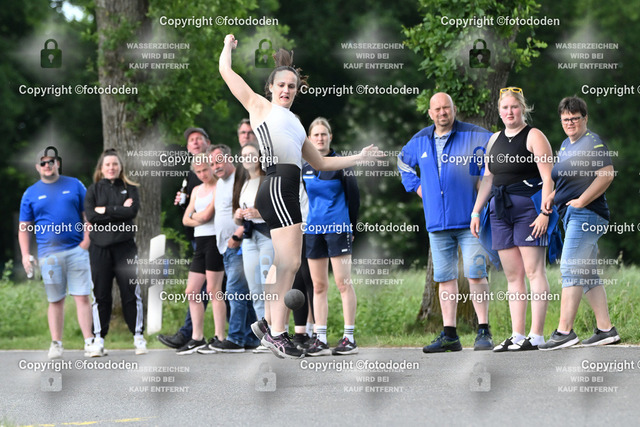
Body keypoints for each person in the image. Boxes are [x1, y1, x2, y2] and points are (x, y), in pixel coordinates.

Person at [219, 33, 380, 358]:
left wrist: (359, 157)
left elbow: (321, 162)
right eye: (281, 85)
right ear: (270, 87)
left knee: (283, 263)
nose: (286, 90)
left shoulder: (295, 123)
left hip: (286, 190)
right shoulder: (260, 106)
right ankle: (276, 332)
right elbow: (226, 72)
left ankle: (268, 323)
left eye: (292, 86)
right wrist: (227, 47)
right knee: (291, 262)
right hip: (278, 185)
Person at [398, 92, 494, 353]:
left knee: (476, 274)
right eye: (437, 109)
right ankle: (450, 335)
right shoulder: (420, 140)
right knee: (445, 278)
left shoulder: (474, 134)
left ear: (454, 109)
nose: (442, 113)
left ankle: (483, 331)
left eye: (446, 108)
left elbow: (498, 151)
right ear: (430, 113)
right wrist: (419, 189)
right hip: (437, 223)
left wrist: (484, 181)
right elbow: (402, 163)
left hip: (470, 220)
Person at [470, 87, 554, 352]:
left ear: (522, 109)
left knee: (534, 271)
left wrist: (545, 213)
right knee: (513, 275)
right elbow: (488, 178)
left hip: (529, 211)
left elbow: (548, 178)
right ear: (499, 111)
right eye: (505, 108)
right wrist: (476, 211)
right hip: (499, 212)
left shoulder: (534, 136)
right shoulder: (494, 139)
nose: (510, 112)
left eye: (514, 107)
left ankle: (536, 335)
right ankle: (518, 335)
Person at [539, 96, 620, 350]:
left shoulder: (592, 142)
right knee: (586, 273)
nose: (570, 123)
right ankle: (606, 330)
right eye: (566, 119)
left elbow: (606, 174)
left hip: (587, 214)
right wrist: (553, 196)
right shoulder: (566, 145)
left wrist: (582, 201)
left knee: (571, 267)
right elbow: (567, 180)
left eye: (575, 118)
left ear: (585, 118)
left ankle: (564, 332)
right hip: (572, 215)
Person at [18, 146, 102, 359]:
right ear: (37, 167)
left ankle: (89, 342)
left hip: (76, 251)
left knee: (82, 296)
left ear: (58, 164)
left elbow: (88, 216)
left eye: (51, 161)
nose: (47, 165)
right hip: (49, 255)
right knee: (55, 300)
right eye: (43, 163)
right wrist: (25, 254)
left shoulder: (75, 185)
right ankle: (56, 343)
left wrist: (86, 242)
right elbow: (24, 228)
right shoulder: (30, 193)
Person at [303, 117, 360, 356]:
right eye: (315, 135)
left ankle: (349, 338)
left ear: (330, 137)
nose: (320, 138)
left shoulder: (341, 164)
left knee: (343, 283)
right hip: (313, 230)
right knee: (318, 286)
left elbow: (354, 198)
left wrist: (351, 228)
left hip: (338, 228)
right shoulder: (305, 167)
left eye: (323, 134)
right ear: (309, 139)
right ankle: (321, 339)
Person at [197, 144, 260, 353]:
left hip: (239, 244)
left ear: (229, 158)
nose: (216, 166)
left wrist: (237, 235)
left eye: (219, 161)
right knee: (243, 293)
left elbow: (248, 208)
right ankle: (251, 338)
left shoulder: (240, 179)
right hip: (225, 247)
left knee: (234, 291)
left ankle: (235, 338)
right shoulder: (221, 183)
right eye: (212, 163)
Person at [84, 148, 146, 356]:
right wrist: (119, 209)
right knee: (101, 295)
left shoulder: (130, 188)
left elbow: (132, 211)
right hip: (99, 249)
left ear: (120, 167)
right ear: (101, 168)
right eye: (107, 164)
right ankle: (98, 339)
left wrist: (106, 210)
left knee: (130, 293)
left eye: (115, 164)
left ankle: (138, 337)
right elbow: (92, 216)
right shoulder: (93, 190)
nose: (111, 168)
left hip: (125, 247)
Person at [158, 127, 212, 349]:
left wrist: (193, 215)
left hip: (217, 237)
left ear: (208, 143)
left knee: (218, 288)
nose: (195, 143)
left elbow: (208, 211)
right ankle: (195, 335)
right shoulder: (190, 173)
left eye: (199, 139)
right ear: (188, 148)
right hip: (197, 237)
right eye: (191, 141)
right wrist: (183, 203)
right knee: (206, 289)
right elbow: (189, 213)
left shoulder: (216, 168)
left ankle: (190, 334)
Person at [175, 153, 226, 355]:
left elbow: (206, 216)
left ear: (211, 167)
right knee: (192, 291)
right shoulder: (196, 190)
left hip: (214, 241)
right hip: (200, 243)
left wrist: (194, 216)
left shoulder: (219, 186)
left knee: (214, 290)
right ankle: (197, 337)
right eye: (198, 171)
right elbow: (185, 220)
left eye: (205, 169)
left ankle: (220, 337)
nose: (203, 174)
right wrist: (196, 217)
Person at [231, 141, 273, 353]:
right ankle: (265, 338)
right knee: (255, 289)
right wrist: (238, 216)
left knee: (269, 286)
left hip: (267, 237)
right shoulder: (243, 182)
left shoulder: (268, 180)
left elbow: (279, 210)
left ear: (259, 157)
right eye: (244, 155)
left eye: (251, 154)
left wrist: (259, 213)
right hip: (249, 239)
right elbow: (236, 217)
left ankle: (277, 332)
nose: (247, 158)